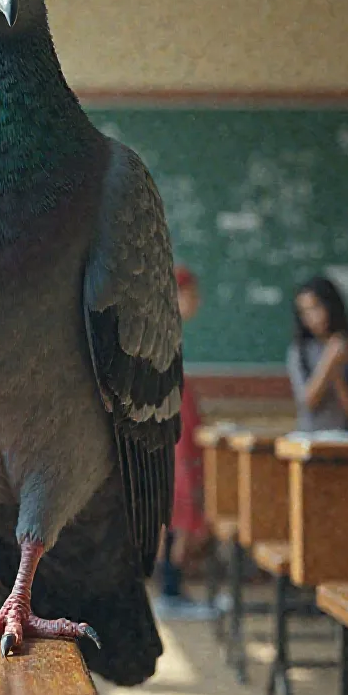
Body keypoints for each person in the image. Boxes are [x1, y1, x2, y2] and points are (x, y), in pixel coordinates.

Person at [153, 265, 215, 621]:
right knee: (175, 501)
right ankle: (170, 591)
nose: (195, 301)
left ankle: (173, 590)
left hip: (176, 414)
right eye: (188, 293)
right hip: (169, 420)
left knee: (179, 502)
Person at [287, 275, 348, 431]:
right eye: (305, 312)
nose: (312, 317)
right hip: (311, 437)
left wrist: (337, 374)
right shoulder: (299, 351)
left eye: (316, 307)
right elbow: (308, 401)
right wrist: (330, 359)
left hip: (346, 438)